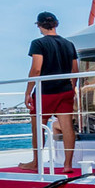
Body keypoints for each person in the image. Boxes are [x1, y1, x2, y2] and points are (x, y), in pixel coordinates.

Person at [26, 11, 80, 169]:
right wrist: (72, 87)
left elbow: (36, 69)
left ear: (39, 25)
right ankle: (67, 164)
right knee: (67, 126)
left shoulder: (38, 43)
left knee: (38, 127)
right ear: (56, 24)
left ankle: (36, 162)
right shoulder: (69, 44)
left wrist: (28, 92)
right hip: (65, 89)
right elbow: (75, 70)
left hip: (45, 91)